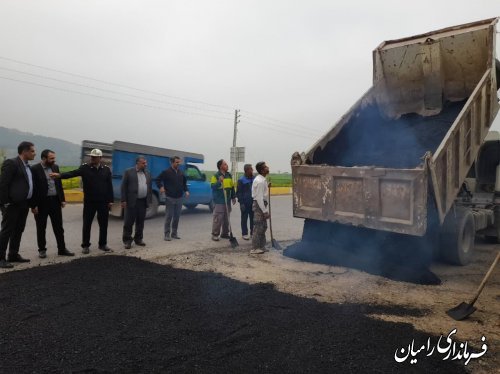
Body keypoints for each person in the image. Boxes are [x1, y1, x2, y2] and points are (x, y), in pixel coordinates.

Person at [51, 148, 114, 254]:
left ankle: (102, 244)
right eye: (91, 157)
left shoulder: (106, 170)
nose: (92, 158)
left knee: (104, 224)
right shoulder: (85, 168)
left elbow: (109, 186)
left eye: (94, 157)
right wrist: (60, 175)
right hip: (90, 202)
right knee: (87, 224)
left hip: (103, 202)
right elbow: (73, 173)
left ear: (100, 158)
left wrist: (110, 200)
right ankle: (85, 245)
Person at [31, 149, 74, 258]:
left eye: (54, 158)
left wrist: (62, 199)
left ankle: (62, 249)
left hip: (55, 201)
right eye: (51, 158)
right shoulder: (35, 169)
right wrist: (33, 205)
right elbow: (33, 188)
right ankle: (42, 250)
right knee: (41, 227)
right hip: (41, 203)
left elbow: (58, 184)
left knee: (59, 227)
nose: (54, 160)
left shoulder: (55, 167)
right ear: (44, 158)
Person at [0, 141, 36, 268]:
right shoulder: (12, 163)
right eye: (32, 151)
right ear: (24, 151)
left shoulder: (28, 166)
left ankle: (13, 254)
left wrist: (32, 204)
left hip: (23, 204)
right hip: (12, 204)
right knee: (7, 231)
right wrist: (5, 203)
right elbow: (3, 184)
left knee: (18, 230)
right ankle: (1, 258)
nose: (34, 153)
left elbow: (28, 185)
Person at [121, 156, 152, 249]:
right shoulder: (129, 172)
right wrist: (123, 200)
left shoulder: (148, 173)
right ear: (138, 163)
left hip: (143, 201)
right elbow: (123, 187)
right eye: (143, 163)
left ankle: (138, 239)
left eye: (145, 163)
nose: (145, 164)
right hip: (132, 201)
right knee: (129, 222)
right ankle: (127, 240)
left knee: (140, 222)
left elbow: (149, 188)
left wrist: (149, 201)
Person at [156, 156, 190, 241]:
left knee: (177, 217)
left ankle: (174, 233)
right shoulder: (166, 172)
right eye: (176, 162)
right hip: (170, 198)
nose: (178, 164)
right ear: (172, 162)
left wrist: (186, 191)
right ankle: (166, 234)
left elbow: (184, 184)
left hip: (179, 198)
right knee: (169, 217)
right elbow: (158, 180)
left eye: (179, 162)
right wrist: (160, 187)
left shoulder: (181, 173)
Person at [210, 159, 236, 241]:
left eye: (226, 164)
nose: (227, 166)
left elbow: (232, 187)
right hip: (219, 201)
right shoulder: (215, 176)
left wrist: (233, 197)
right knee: (218, 218)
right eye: (225, 164)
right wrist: (219, 181)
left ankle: (225, 233)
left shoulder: (229, 175)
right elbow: (213, 187)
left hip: (227, 200)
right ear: (220, 166)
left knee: (226, 218)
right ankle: (215, 234)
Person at [251, 161, 270, 254]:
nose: (267, 168)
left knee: (263, 227)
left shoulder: (262, 180)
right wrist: (265, 211)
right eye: (265, 167)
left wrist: (267, 186)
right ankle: (255, 248)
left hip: (261, 205)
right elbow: (259, 198)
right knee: (258, 227)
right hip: (259, 205)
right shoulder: (260, 181)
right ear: (262, 170)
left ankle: (262, 246)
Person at [236, 164, 255, 240]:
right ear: (247, 170)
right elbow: (239, 192)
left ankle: (252, 232)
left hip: (253, 202)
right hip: (244, 203)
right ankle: (244, 233)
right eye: (251, 169)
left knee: (253, 218)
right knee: (244, 218)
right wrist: (241, 203)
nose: (252, 170)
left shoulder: (254, 179)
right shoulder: (241, 180)